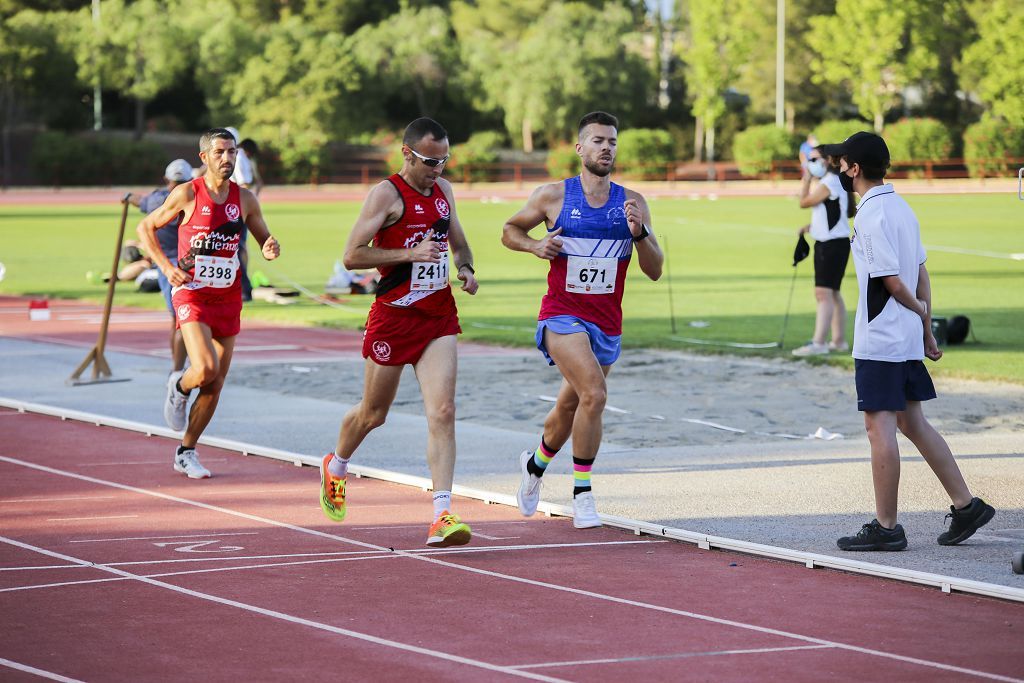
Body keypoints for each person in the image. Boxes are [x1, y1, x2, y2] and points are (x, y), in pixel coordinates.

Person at [818, 131, 994, 551]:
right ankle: (966, 505)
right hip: (905, 337)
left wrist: (918, 314)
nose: (840, 168)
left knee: (878, 427)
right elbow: (921, 273)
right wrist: (926, 326)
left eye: (843, 162)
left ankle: (887, 526)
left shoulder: (871, 216)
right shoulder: (902, 208)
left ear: (855, 169)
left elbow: (894, 282)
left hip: (881, 339)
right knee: (912, 422)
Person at [319, 117, 479, 548]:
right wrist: (411, 253)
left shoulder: (444, 192)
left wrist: (465, 268)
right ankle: (336, 464)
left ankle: (442, 513)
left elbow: (459, 241)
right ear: (406, 153)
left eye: (444, 160)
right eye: (430, 160)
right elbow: (352, 255)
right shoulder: (386, 194)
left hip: (437, 315)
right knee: (374, 414)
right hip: (393, 315)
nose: (438, 169)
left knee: (443, 412)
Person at [501, 111, 664, 529]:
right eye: (597, 141)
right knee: (594, 395)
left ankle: (535, 466)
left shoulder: (632, 203)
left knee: (569, 405)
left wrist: (640, 233)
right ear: (579, 148)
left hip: (606, 323)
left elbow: (655, 269)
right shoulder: (554, 196)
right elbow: (509, 231)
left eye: (612, 141)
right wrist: (536, 245)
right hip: (562, 316)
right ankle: (583, 493)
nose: (606, 148)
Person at [136, 128, 281, 479]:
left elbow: (264, 237)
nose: (227, 158)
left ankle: (186, 451)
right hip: (192, 292)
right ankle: (179, 385)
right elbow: (145, 228)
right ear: (204, 157)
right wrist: (167, 268)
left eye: (232, 152)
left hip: (227, 296)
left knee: (216, 384)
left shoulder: (245, 199)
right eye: (220, 152)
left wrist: (270, 246)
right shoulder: (188, 193)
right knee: (204, 370)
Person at [128, 158, 193, 373]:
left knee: (178, 319)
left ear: (166, 179)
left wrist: (128, 197)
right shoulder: (194, 197)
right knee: (190, 318)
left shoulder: (157, 199)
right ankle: (182, 369)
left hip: (166, 265)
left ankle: (177, 370)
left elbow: (140, 201)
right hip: (190, 263)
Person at [791, 148, 853, 356]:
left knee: (823, 293)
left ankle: (818, 342)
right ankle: (838, 341)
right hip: (835, 242)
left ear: (827, 160)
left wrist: (806, 179)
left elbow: (803, 202)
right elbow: (832, 213)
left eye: (814, 158)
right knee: (833, 293)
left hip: (831, 245)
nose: (811, 162)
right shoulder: (834, 182)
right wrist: (811, 227)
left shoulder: (829, 182)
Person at [227, 127, 255, 302]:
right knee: (235, 249)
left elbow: (244, 184)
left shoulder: (236, 158)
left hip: (233, 210)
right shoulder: (240, 156)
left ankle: (244, 288)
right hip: (233, 208)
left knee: (234, 249)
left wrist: (238, 211)